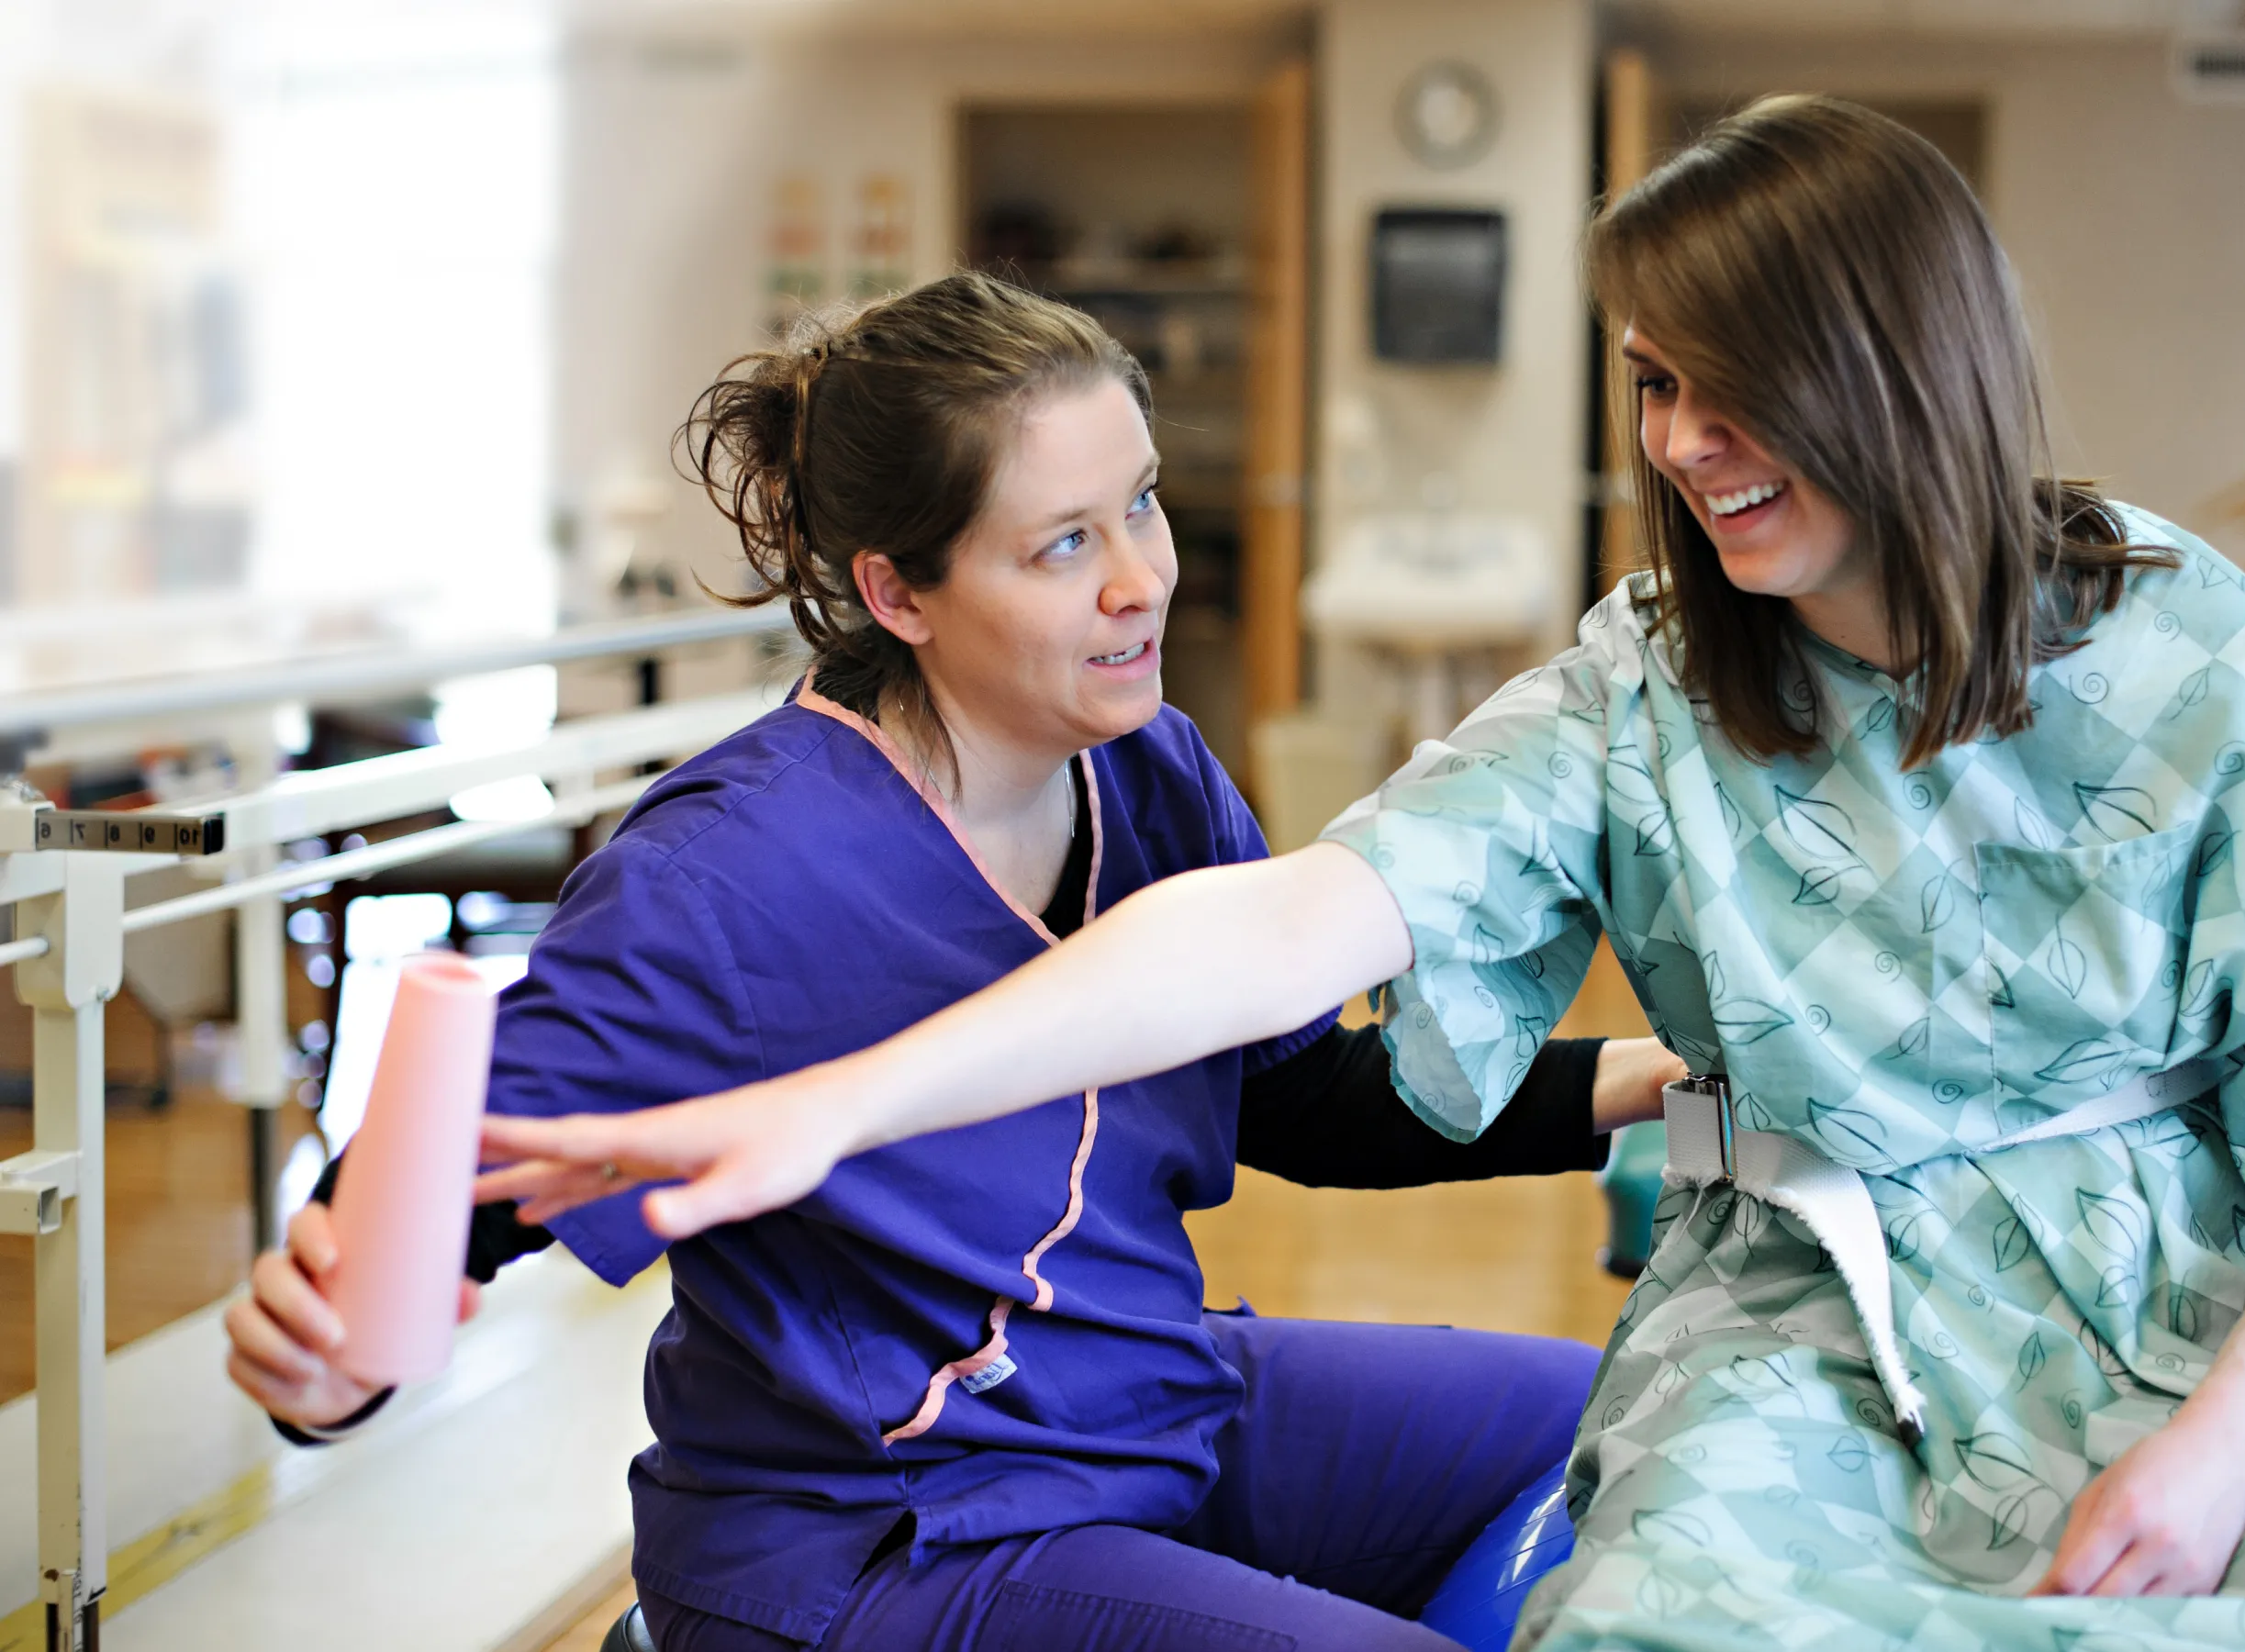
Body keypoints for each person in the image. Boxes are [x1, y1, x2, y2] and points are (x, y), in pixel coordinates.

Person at [477, 100, 2245, 1652]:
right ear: (901, 592)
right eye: (1649, 383)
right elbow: (1286, 938)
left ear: (1891, 363)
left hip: (2158, 1305)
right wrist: (839, 1104)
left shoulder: (2184, 641)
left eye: (1142, 510)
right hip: (955, 1516)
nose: (1682, 442)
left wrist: (2221, 1444)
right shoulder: (1646, 680)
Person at [223, 272, 1689, 1652]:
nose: (1142, 582)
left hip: (1136, 1397)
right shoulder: (733, 878)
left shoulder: (1152, 773)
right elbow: (444, 1184)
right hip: (880, 1539)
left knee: (1661, 1416)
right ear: (899, 594)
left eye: (1143, 507)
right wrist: (330, 1365)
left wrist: (1655, 1082)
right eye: (1064, 545)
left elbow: (1294, 1096)